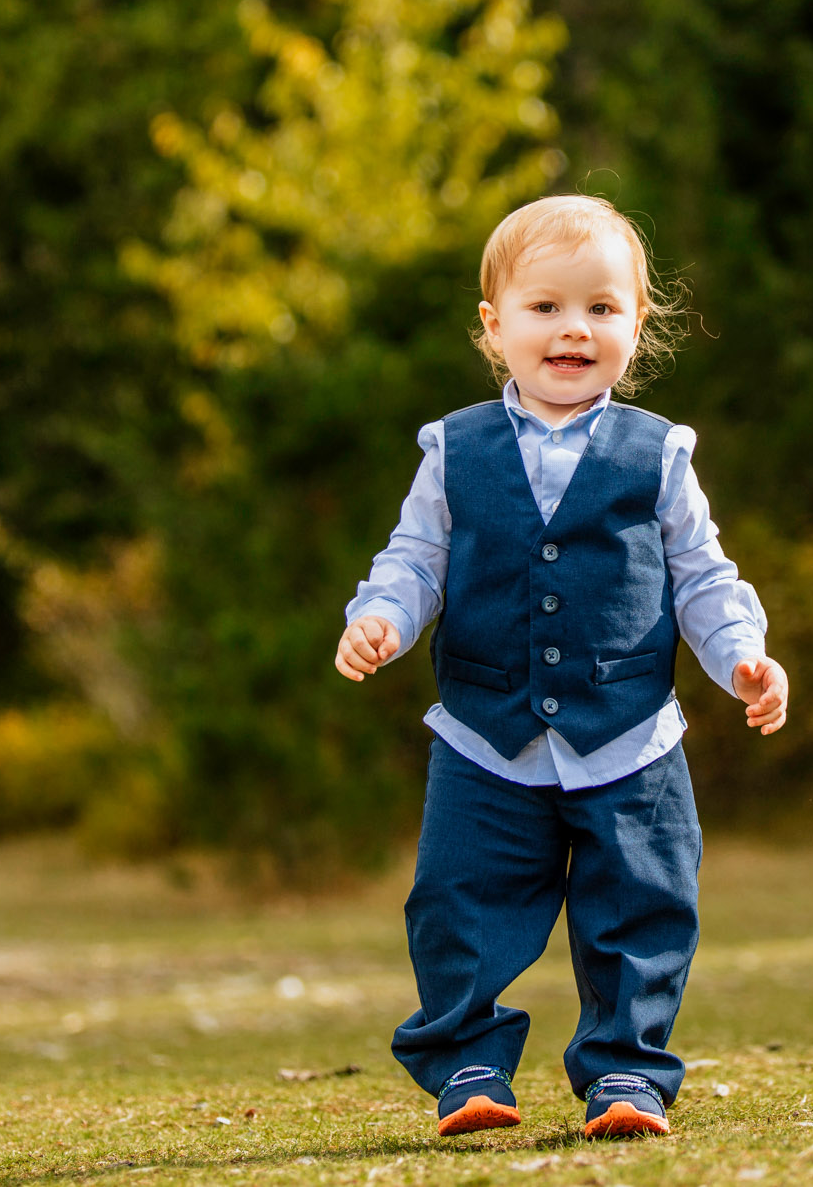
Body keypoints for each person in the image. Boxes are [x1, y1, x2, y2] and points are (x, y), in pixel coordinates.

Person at [335, 194, 789, 1140]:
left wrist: (742, 654)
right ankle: (467, 1061)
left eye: (602, 308)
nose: (574, 328)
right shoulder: (452, 448)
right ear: (496, 327)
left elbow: (701, 574)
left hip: (629, 734)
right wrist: (382, 617)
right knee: (457, 900)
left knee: (643, 904)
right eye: (545, 308)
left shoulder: (658, 453)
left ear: (638, 324)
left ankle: (626, 1072)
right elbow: (416, 559)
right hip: (484, 736)